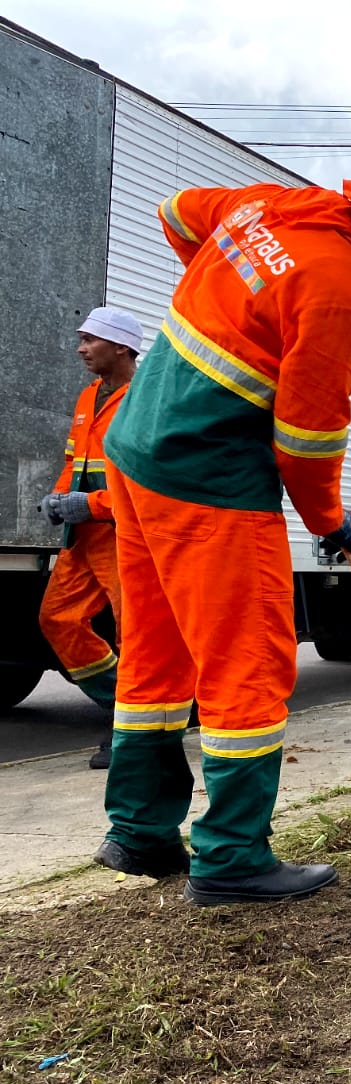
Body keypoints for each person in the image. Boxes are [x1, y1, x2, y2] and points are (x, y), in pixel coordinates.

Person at [95, 171, 351, 905]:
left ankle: (139, 830)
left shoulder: (272, 204)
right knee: (248, 663)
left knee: (156, 651)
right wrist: (331, 522)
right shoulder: (343, 295)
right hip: (210, 470)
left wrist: (237, 300)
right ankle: (232, 856)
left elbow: (174, 209)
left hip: (137, 448)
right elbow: (305, 440)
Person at [37, 308, 143, 769]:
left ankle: (134, 732)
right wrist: (59, 498)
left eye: (90, 340)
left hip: (126, 538)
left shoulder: (144, 398)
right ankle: (119, 704)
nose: (81, 349)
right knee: (58, 619)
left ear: (120, 347)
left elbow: (146, 484)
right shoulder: (88, 397)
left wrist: (92, 505)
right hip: (84, 540)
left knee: (134, 636)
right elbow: (74, 459)